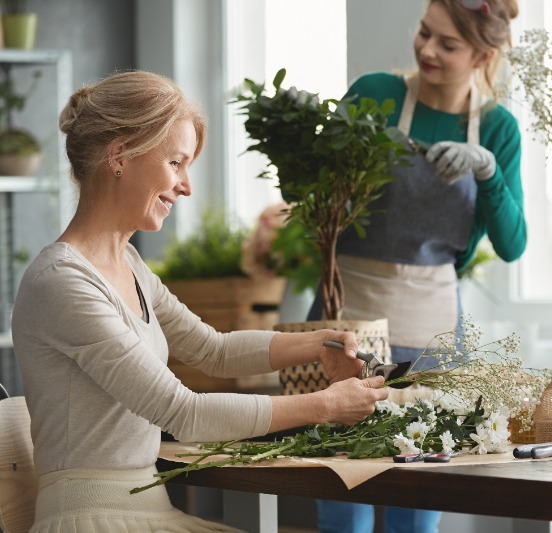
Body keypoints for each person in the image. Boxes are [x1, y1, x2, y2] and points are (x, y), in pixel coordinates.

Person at [11, 70, 389, 533]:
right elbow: (184, 413)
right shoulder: (62, 282)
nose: (186, 186)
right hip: (92, 519)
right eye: (176, 162)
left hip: (145, 508)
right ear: (120, 154)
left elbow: (214, 350)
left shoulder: (128, 264)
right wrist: (326, 405)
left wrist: (319, 343)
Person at [311, 0, 525, 531]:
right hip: (347, 322)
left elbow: (512, 244)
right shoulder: (374, 94)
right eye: (425, 33)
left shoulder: (497, 128)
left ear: (483, 53)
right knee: (340, 497)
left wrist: (489, 171)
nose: (427, 50)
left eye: (447, 44)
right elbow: (311, 194)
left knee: (416, 501)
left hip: (431, 332)